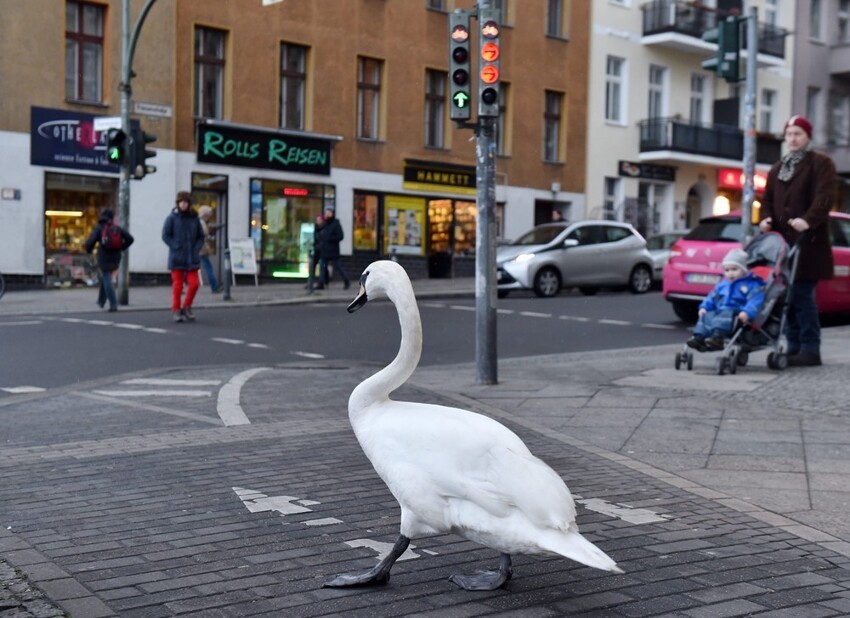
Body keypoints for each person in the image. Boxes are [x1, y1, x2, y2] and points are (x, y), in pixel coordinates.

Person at [759, 115, 836, 367]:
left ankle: (810, 349)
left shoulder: (820, 163)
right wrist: (766, 219)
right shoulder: (777, 168)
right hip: (781, 245)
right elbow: (767, 200)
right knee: (785, 297)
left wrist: (808, 220)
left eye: (798, 134)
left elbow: (825, 197)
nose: (792, 139)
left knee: (802, 296)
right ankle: (793, 347)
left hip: (808, 243)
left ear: (808, 137)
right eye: (789, 134)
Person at [686, 248, 765, 352]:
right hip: (721, 310)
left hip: (736, 312)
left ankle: (718, 337)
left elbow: (754, 301)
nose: (730, 273)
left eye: (734, 269)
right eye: (727, 270)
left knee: (724, 314)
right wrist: (705, 306)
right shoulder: (723, 285)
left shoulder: (752, 285)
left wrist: (747, 312)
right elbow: (712, 297)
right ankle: (699, 337)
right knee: (707, 315)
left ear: (744, 269)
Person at [161, 191, 205, 323]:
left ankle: (186, 306)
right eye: (181, 202)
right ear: (178, 203)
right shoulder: (171, 218)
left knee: (194, 284)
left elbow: (200, 237)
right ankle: (176, 310)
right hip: (177, 257)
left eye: (186, 202)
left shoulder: (194, 219)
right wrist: (175, 246)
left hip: (192, 257)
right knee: (178, 286)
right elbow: (165, 235)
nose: (183, 204)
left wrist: (196, 248)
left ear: (189, 204)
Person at [84, 209, 134, 312]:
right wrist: (121, 247)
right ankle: (101, 301)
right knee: (106, 277)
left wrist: (88, 250)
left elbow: (90, 241)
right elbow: (130, 239)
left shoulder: (99, 228)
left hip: (104, 256)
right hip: (116, 257)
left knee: (107, 277)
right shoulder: (116, 228)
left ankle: (113, 304)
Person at [317, 207, 350, 290]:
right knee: (322, 266)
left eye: (328, 213)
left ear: (332, 214)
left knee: (337, 266)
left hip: (333, 250)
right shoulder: (326, 224)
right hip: (325, 250)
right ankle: (321, 283)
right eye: (326, 213)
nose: (327, 214)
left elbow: (340, 236)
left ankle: (346, 280)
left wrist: (330, 239)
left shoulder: (336, 224)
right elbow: (321, 234)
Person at [197, 205, 222, 293]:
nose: (209, 217)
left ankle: (181, 285)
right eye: (209, 215)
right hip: (202, 249)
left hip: (199, 248)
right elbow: (204, 235)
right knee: (208, 268)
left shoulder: (199, 222)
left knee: (190, 267)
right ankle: (214, 286)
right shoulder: (201, 223)